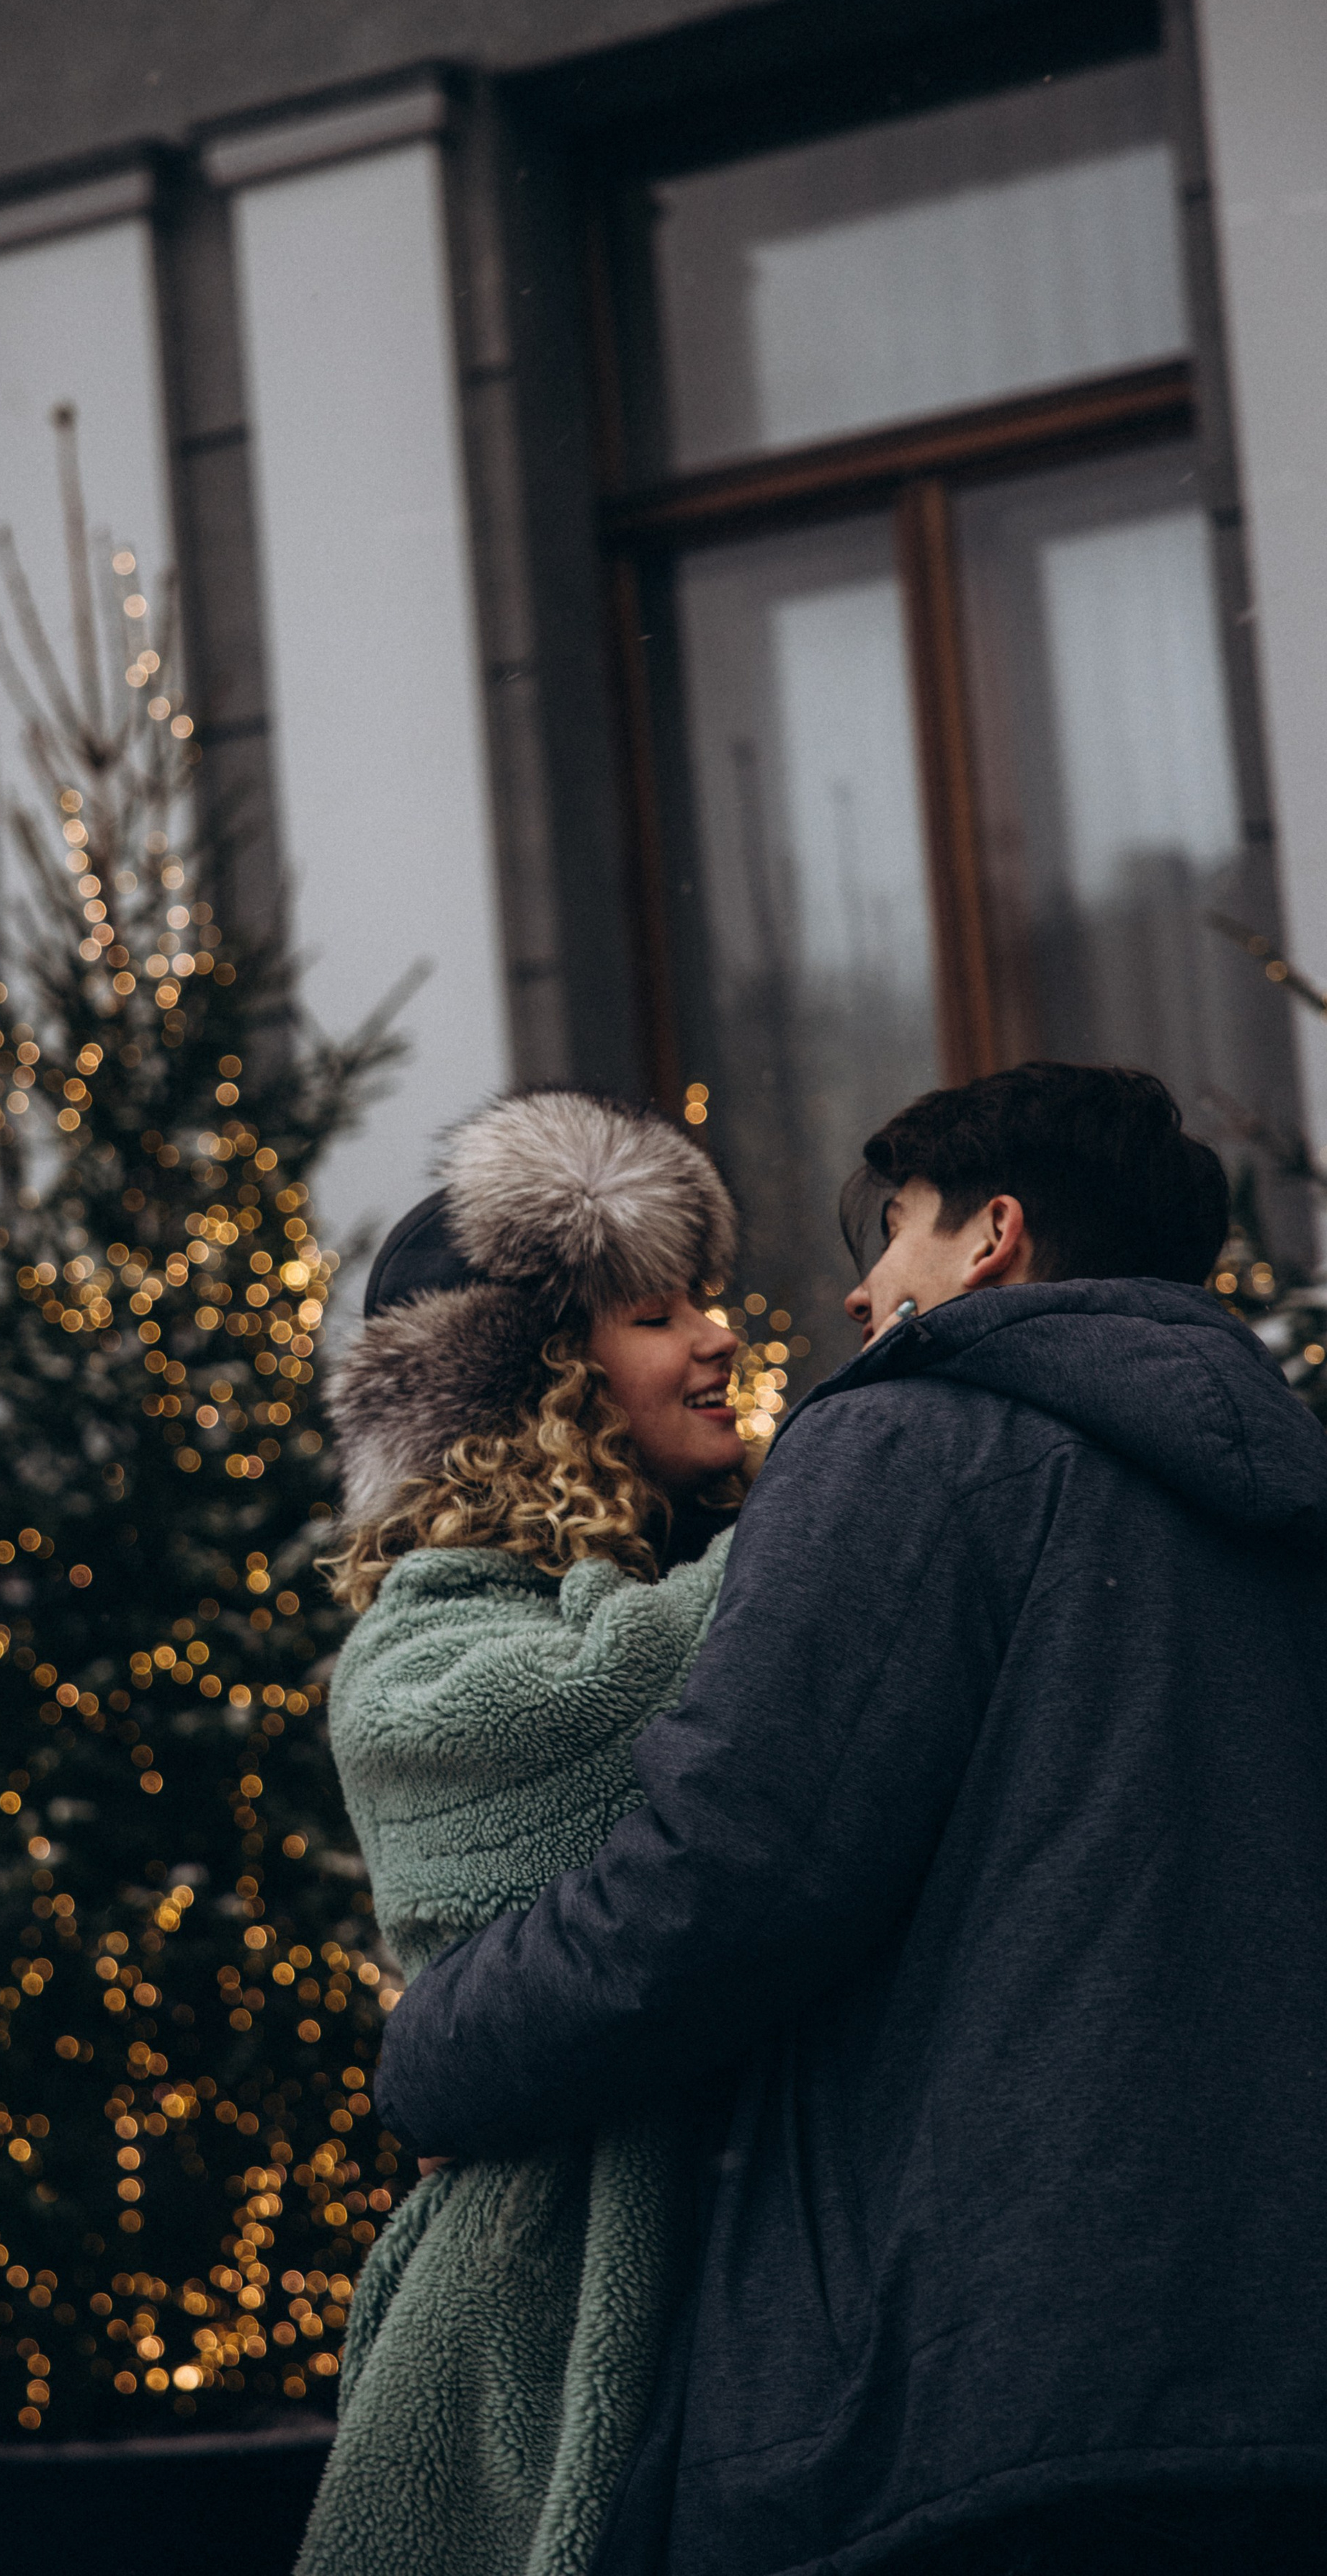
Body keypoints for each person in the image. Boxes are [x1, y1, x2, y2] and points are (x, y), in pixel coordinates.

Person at [374, 1063, 1327, 2576]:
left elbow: (737, 1866)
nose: (856, 1293)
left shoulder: (912, 1441)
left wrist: (430, 2056)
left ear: (989, 1239)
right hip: (1272, 2372)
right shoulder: (1273, 1484)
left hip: (983, 2385)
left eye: (892, 1230)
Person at [295, 1090, 748, 2576]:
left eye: (708, 1301)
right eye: (652, 1313)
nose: (716, 1341)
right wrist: (844, 1516)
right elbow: (623, 1702)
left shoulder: (713, 1573)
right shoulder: (416, 1655)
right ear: (533, 1379)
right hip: (529, 2309)